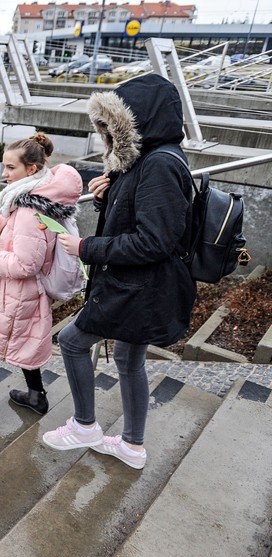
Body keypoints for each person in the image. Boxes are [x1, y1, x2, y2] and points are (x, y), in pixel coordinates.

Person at [42, 74, 196, 470]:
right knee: (129, 360)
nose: (108, 135)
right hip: (142, 286)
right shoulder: (149, 159)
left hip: (137, 288)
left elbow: (153, 242)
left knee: (74, 342)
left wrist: (84, 248)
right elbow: (137, 221)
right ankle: (131, 445)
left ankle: (85, 425)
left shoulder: (159, 165)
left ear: (136, 121)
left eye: (113, 126)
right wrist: (107, 196)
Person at [0, 133, 82, 416]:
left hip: (14, 294)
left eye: (11, 168)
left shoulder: (28, 209)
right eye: (4, 166)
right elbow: (21, 237)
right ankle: (36, 396)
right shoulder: (35, 197)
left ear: (31, 169)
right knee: (25, 342)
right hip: (25, 295)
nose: (4, 173)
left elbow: (24, 264)